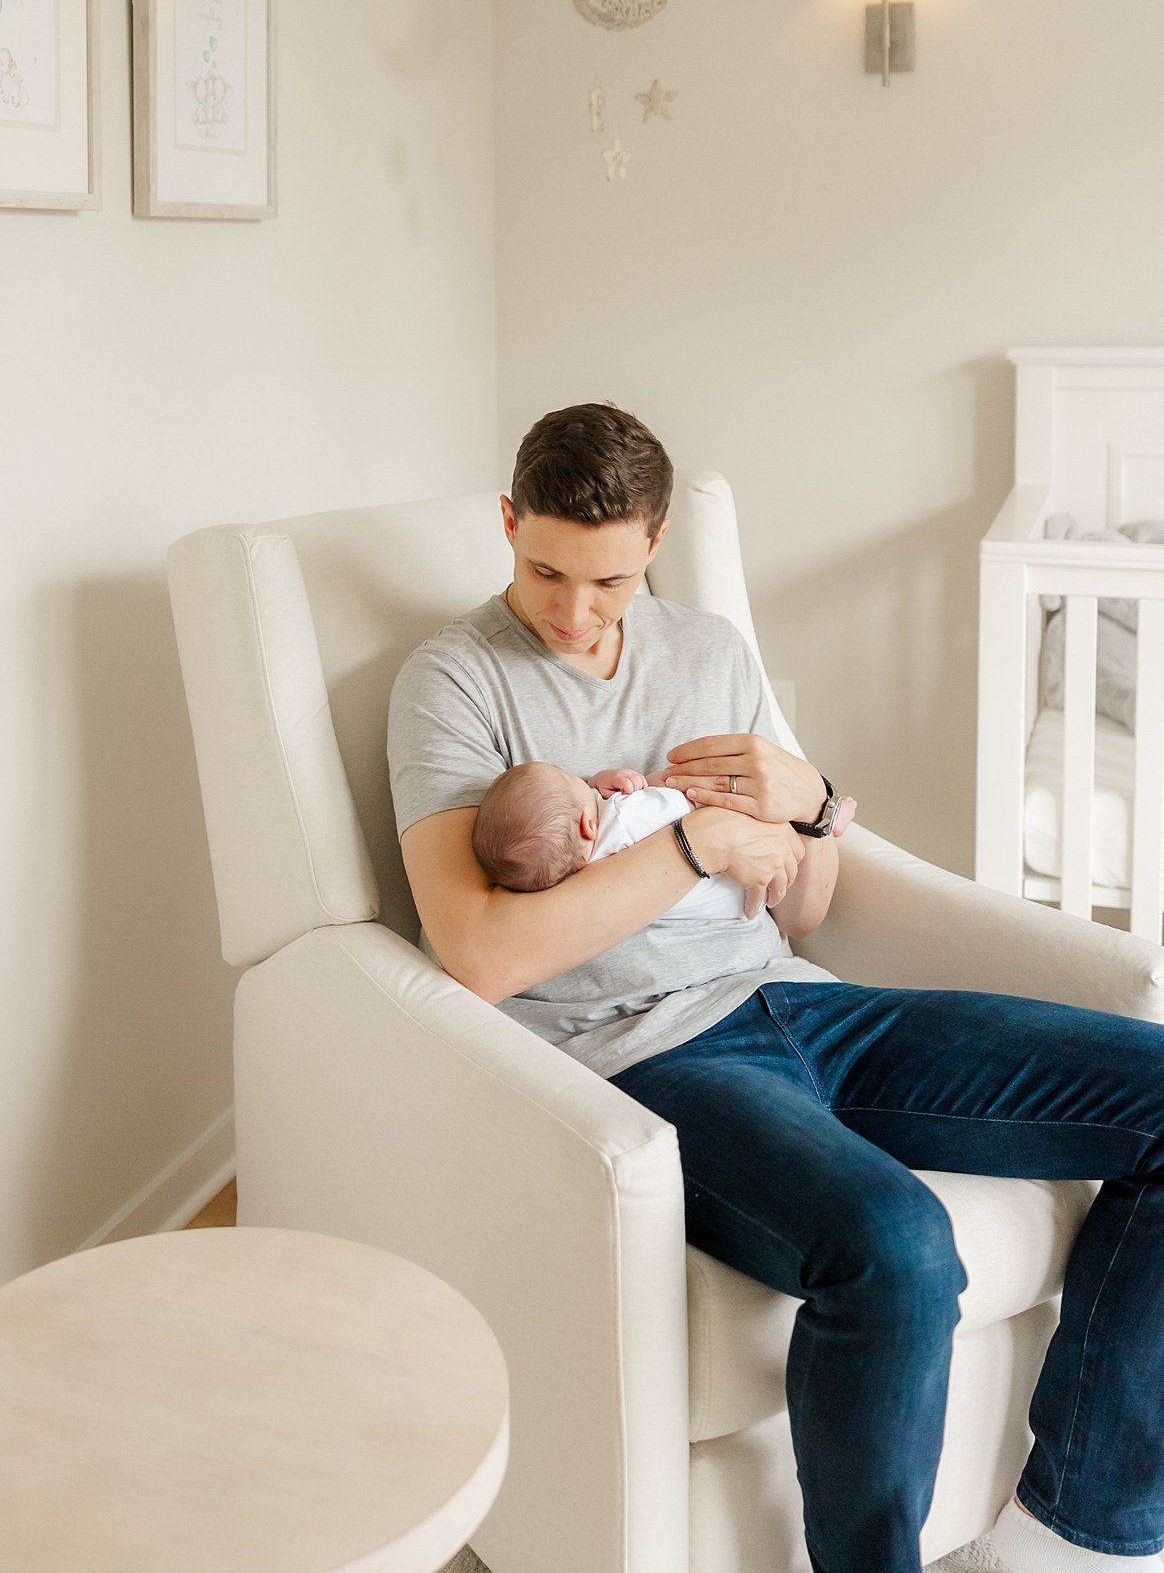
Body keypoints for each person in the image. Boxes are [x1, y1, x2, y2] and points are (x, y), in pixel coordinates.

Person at [387, 401, 1164, 1573]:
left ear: (652, 543)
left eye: (606, 581)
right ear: (507, 523)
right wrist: (693, 846)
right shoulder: (454, 682)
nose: (571, 610)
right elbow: (481, 956)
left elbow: (802, 905)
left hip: (804, 1002)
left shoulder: (707, 651)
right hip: (650, 1057)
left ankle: (1071, 1535)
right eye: (545, 569)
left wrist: (811, 802)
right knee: (899, 1249)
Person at [471, 760, 700, 894]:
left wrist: (596, 784)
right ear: (588, 826)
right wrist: (648, 783)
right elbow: (682, 800)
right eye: (570, 777)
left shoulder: (577, 877)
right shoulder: (622, 817)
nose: (584, 781)